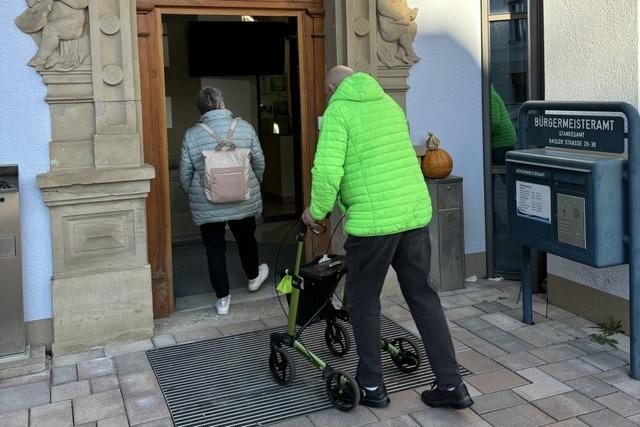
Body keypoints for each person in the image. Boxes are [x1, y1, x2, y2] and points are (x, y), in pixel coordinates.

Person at [302, 66, 472, 409]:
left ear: (334, 86)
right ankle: (452, 385)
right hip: (411, 216)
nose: (328, 96)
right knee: (423, 297)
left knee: (364, 302)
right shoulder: (389, 104)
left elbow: (328, 168)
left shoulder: (339, 109)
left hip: (373, 225)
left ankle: (372, 386)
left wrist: (315, 211)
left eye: (327, 91)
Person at [180, 87, 269, 315]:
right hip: (243, 198)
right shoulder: (245, 127)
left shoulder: (191, 135)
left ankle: (222, 300)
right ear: (222, 104)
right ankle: (253, 277)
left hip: (208, 201)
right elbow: (259, 162)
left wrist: (194, 193)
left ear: (201, 110)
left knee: (214, 249)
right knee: (246, 238)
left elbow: (185, 175)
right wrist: (255, 182)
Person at [491, 84, 517, 164]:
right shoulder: (490, 94)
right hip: (502, 142)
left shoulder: (490, 96)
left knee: (503, 172)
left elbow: (494, 123)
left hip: (502, 143)